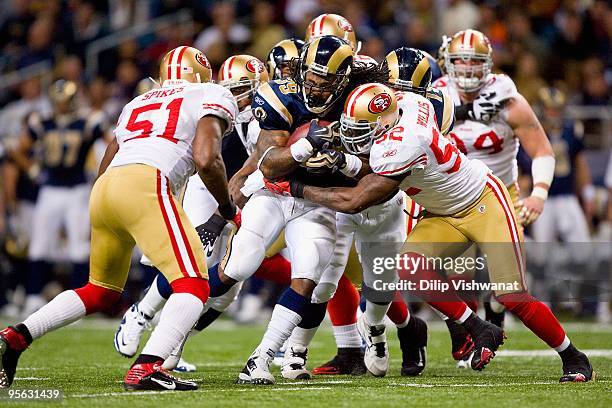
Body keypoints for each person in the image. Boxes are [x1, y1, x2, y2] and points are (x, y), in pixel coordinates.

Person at [277, 82, 594, 383]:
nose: (353, 136)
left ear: (384, 125)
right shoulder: (409, 105)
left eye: (362, 130)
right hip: (442, 212)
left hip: (483, 203)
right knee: (409, 266)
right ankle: (477, 327)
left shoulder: (401, 146)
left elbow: (355, 200)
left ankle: (574, 357)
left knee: (512, 295)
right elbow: (432, 117)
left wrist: (297, 187)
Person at [0, 46, 239, 391]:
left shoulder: (139, 101)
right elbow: (206, 158)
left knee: (100, 290)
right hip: (146, 182)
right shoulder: (211, 92)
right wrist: (227, 208)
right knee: (194, 284)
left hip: (106, 188)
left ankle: (15, 336)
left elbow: (108, 159)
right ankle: (147, 368)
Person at [432, 29, 557, 366]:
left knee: (507, 289)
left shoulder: (506, 97)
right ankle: (472, 335)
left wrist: (539, 194)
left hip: (502, 196)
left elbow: (542, 149)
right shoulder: (435, 96)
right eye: (461, 61)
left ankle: (495, 316)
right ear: (448, 61)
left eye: (475, 62)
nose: (468, 69)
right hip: (453, 201)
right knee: (454, 277)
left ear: (488, 65)